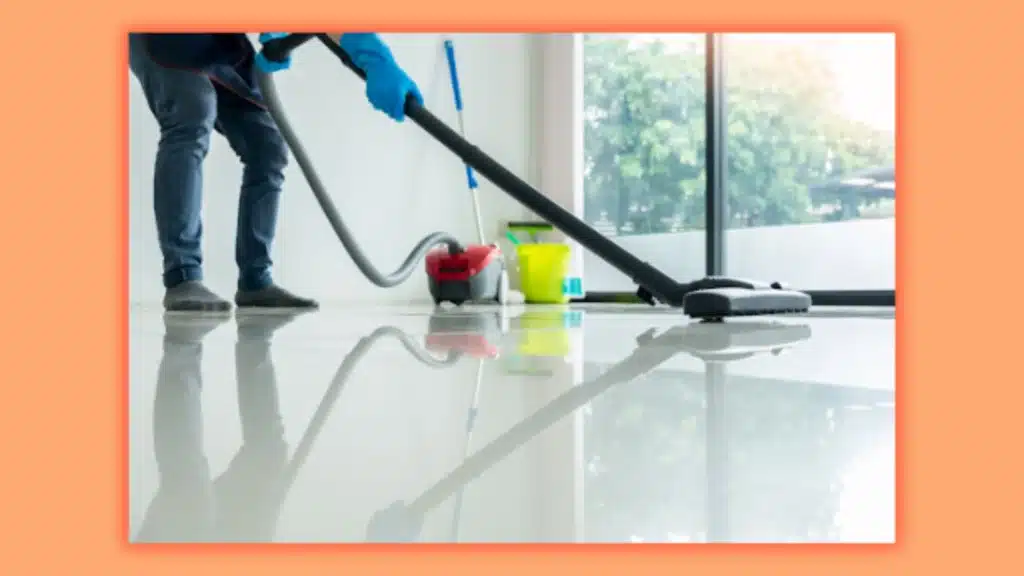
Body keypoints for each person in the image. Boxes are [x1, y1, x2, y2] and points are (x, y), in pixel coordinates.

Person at [129, 33, 423, 312]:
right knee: (192, 112)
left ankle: (256, 281)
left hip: (217, 37)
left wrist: (377, 62)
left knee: (268, 148)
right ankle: (183, 275)